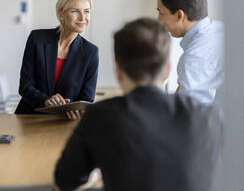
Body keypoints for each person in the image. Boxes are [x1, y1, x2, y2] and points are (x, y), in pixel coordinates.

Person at [55, 18, 222, 190]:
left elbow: (65, 180)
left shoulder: (100, 116)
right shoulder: (205, 115)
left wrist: (94, 177)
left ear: (118, 71)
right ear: (167, 70)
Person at [15, 0, 99, 119]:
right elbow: (25, 86)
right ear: (61, 15)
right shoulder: (37, 39)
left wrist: (75, 109)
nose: (83, 17)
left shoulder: (90, 52)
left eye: (87, 11)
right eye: (75, 11)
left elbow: (87, 98)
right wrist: (46, 100)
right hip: (30, 117)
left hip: (64, 120)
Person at [152, 0, 224, 104]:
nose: (159, 20)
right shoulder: (220, 30)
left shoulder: (195, 58)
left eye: (161, 13)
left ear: (180, 15)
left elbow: (186, 116)